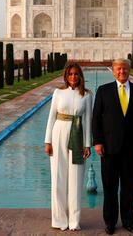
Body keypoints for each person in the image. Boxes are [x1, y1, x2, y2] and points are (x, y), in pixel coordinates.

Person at [92, 59, 133, 235]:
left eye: (124, 69)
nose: (121, 72)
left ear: (129, 70)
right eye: (118, 69)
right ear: (113, 71)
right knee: (109, 187)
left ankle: (128, 221)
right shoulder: (104, 90)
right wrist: (97, 142)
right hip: (109, 147)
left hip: (131, 147)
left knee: (130, 187)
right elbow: (96, 119)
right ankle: (110, 222)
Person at [44, 63, 93, 231]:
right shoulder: (58, 93)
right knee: (58, 178)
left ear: (80, 76)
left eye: (76, 74)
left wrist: (88, 144)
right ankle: (59, 220)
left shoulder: (86, 95)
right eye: (70, 74)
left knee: (76, 179)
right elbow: (51, 117)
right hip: (59, 133)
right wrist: (47, 141)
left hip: (78, 135)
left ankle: (74, 221)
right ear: (66, 76)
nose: (73, 77)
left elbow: (88, 121)